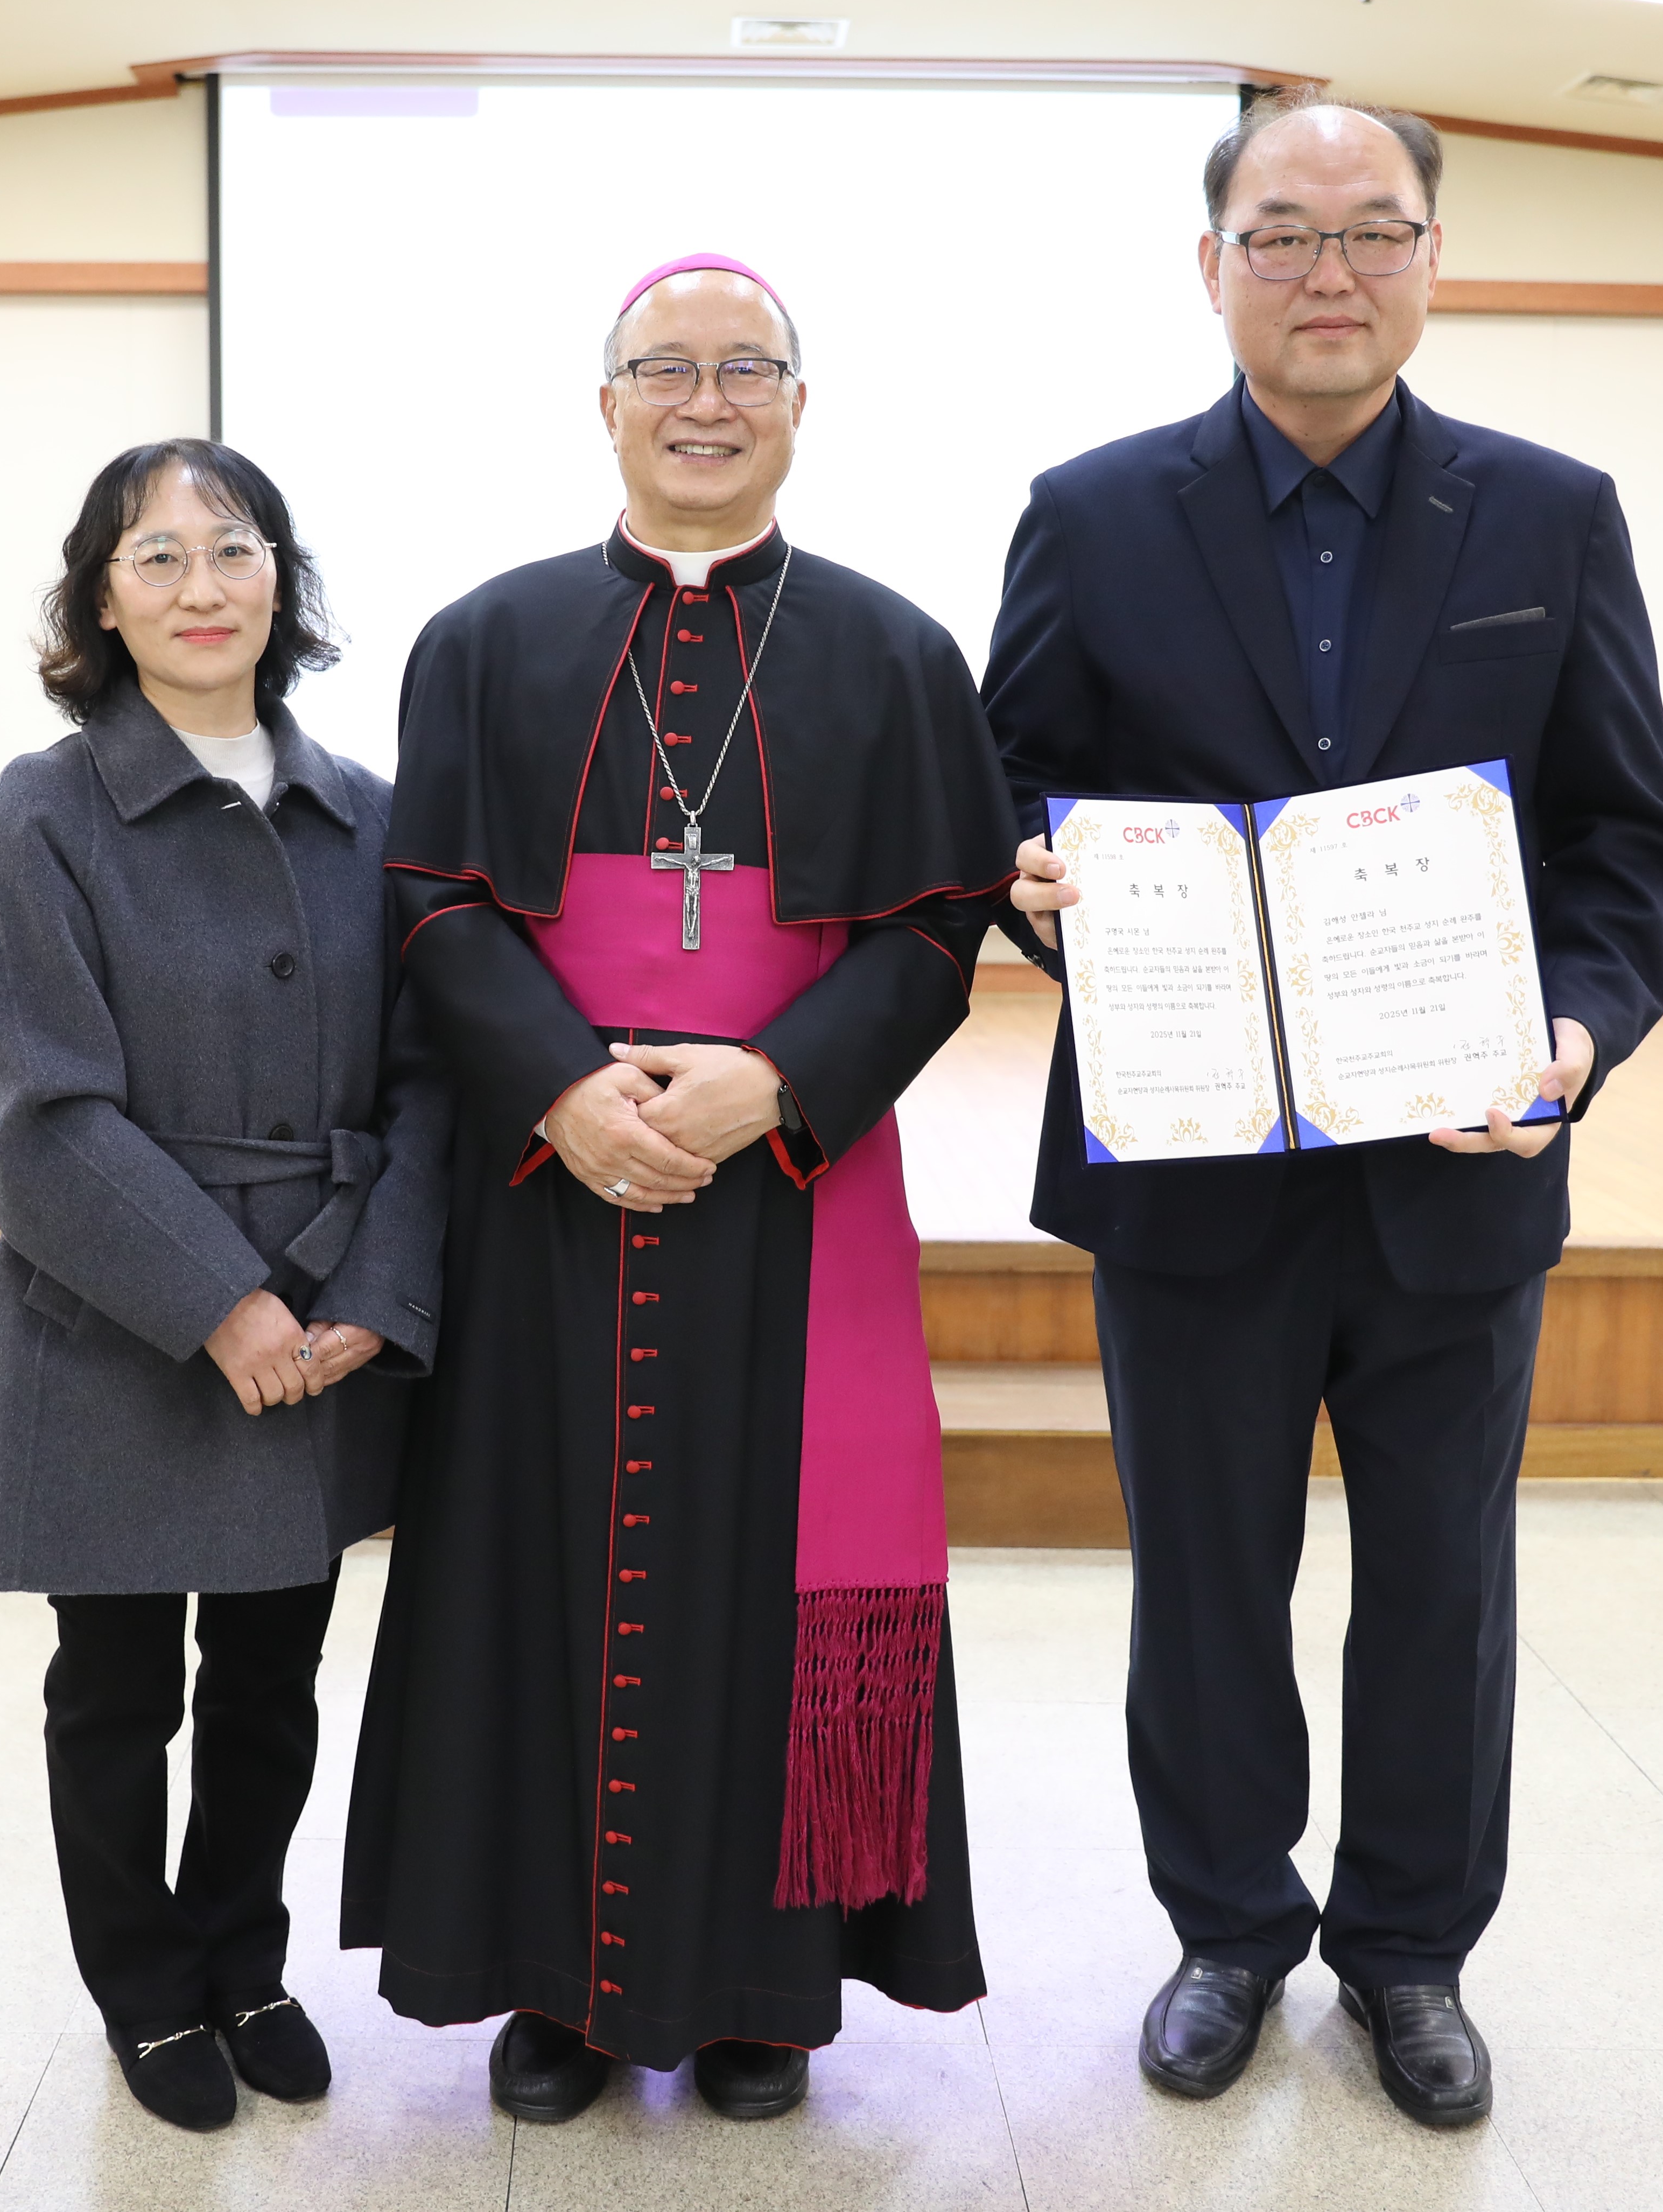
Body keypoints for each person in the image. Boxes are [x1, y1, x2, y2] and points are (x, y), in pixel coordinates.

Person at [984, 92, 1663, 2127]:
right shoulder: (1094, 510)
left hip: (1459, 1161)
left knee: (1443, 1586)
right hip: (1192, 1161)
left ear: (1433, 260)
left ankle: (1408, 1953)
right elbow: (1010, 791)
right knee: (1202, 1573)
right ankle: (1225, 1929)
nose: (1329, 273)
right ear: (1211, 263)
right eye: (1283, 234)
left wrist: (1574, 1033)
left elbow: (1628, 845)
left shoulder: (1551, 516)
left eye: (1373, 233)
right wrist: (1041, 885)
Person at [341, 256, 1019, 2124]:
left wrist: (768, 1086)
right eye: (666, 369)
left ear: (801, 403)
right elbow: (436, 901)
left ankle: (758, 1991)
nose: (703, 400)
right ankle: (548, 1983)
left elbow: (941, 919)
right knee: (534, 1564)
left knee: (766, 1569)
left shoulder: (891, 652)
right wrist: (566, 1091)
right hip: (553, 1181)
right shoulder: (486, 639)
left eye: (745, 370)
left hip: (788, 1193)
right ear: (609, 402)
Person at [0, 438, 448, 2132]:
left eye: (233, 551)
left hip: (326, 1324)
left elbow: (425, 1084)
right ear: (102, 598)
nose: (202, 587)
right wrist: (222, 1302)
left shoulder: (371, 813)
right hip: (125, 1327)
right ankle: (145, 1994)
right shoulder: (50, 807)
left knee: (273, 1678)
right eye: (157, 559)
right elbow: (43, 1106)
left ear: (280, 581)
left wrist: (364, 1291)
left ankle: (247, 1959)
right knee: (117, 1685)